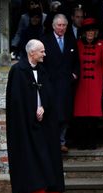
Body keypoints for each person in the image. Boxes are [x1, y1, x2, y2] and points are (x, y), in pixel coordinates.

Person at [6, 39, 64, 193]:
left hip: (44, 121)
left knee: (47, 153)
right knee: (29, 155)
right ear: (32, 53)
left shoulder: (42, 70)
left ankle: (50, 189)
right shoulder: (18, 71)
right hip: (26, 123)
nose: (44, 54)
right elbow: (17, 101)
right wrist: (32, 110)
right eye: (41, 51)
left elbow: (48, 93)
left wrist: (43, 107)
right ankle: (32, 191)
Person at [42, 14, 80, 153]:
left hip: (66, 84)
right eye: (59, 25)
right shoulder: (45, 40)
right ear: (53, 26)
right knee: (52, 113)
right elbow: (41, 63)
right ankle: (52, 142)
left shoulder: (71, 40)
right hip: (51, 84)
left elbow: (77, 61)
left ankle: (62, 141)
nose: (62, 28)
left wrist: (75, 74)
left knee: (65, 113)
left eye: (64, 25)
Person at [73, 17, 103, 150]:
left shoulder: (102, 44)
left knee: (94, 114)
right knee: (81, 114)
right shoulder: (78, 44)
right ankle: (82, 142)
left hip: (96, 83)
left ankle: (92, 141)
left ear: (95, 32)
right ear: (83, 32)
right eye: (87, 31)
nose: (90, 34)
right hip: (81, 83)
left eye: (92, 31)